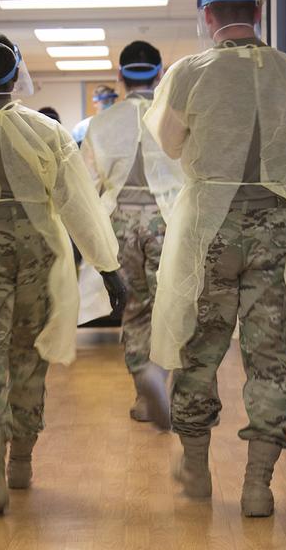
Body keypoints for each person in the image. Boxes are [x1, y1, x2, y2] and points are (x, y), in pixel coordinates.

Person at [0, 32, 126, 515]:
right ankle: (22, 463)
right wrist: (108, 267)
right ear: (16, 76)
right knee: (29, 356)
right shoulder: (47, 132)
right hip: (41, 251)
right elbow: (79, 205)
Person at [143, 0, 286, 517]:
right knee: (271, 359)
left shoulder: (188, 73)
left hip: (208, 227)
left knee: (198, 349)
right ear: (258, 10)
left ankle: (197, 466)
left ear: (207, 17)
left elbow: (170, 143)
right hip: (278, 226)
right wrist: (284, 205)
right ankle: (258, 486)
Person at [80, 41, 183, 431]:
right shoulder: (175, 116)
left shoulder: (101, 124)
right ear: (159, 73)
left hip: (120, 223)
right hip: (167, 222)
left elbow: (84, 186)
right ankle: (166, 380)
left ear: (120, 76)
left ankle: (143, 391)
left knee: (135, 306)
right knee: (171, 307)